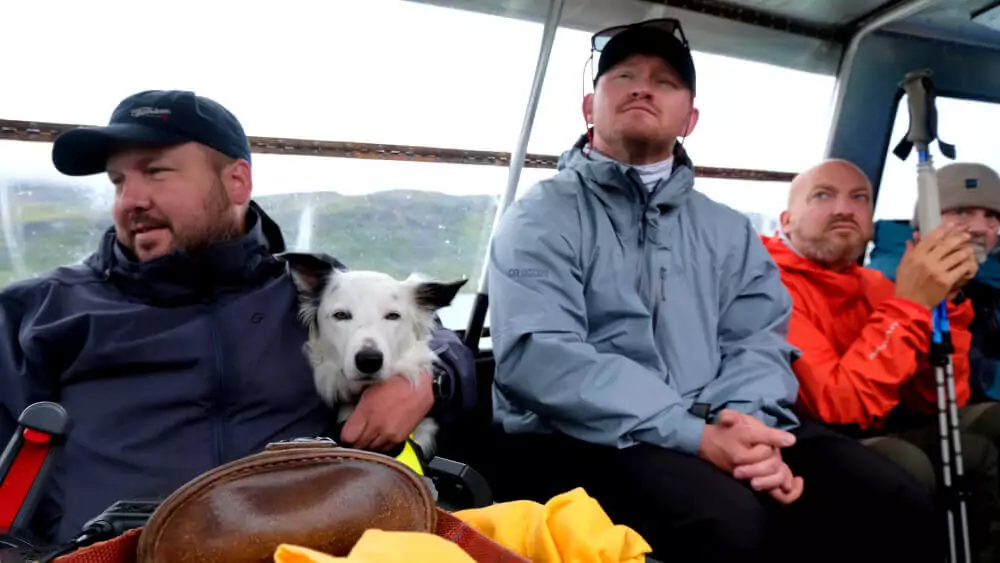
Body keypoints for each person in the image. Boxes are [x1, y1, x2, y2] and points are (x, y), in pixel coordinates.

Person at [485, 18, 942, 563]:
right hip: (583, 437)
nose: (642, 88)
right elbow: (541, 357)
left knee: (891, 502)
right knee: (729, 525)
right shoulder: (540, 217)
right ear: (590, 107)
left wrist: (746, 431)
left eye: (665, 82)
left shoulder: (727, 231)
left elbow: (759, 343)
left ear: (690, 120)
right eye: (624, 76)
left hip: (719, 423)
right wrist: (694, 435)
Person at [0, 90, 476, 545]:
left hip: (304, 545)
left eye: (156, 172)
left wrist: (425, 382)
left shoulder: (308, 289)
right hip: (111, 550)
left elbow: (426, 332)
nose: (130, 201)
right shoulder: (41, 311)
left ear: (237, 182)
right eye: (118, 181)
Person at [761, 158, 1000, 561]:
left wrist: (947, 303)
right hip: (804, 439)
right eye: (822, 195)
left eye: (860, 198)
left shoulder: (876, 285)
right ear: (786, 220)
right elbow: (838, 408)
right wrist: (909, 305)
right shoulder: (767, 285)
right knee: (905, 463)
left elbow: (937, 399)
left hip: (881, 424)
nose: (844, 208)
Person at [869, 162, 1000, 403]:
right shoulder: (894, 282)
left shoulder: (987, 280)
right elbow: (968, 374)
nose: (980, 228)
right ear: (927, 221)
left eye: (991, 216)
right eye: (961, 212)